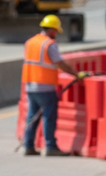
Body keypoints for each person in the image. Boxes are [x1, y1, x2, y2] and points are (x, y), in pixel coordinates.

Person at [22, 14, 82, 157]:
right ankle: (51, 147)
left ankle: (28, 145)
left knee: (32, 116)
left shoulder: (30, 42)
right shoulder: (49, 44)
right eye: (56, 31)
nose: (56, 34)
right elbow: (59, 63)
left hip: (30, 86)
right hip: (45, 87)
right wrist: (76, 74)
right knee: (49, 117)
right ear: (52, 30)